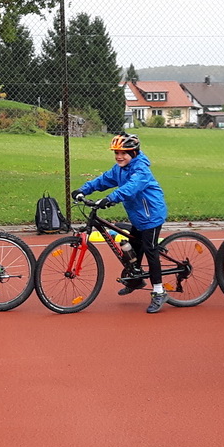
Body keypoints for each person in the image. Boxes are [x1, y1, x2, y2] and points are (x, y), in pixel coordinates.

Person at [72, 133, 171, 313]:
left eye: (124, 153)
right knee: (131, 249)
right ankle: (135, 279)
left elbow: (131, 188)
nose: (119, 156)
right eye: (116, 152)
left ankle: (159, 291)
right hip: (138, 216)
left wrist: (110, 198)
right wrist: (84, 189)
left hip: (152, 215)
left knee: (150, 250)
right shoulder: (119, 169)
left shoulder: (141, 169)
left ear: (134, 153)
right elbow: (103, 180)